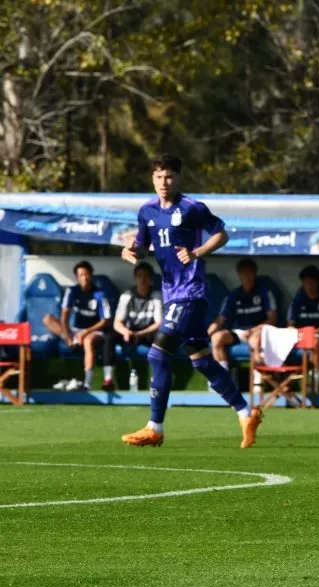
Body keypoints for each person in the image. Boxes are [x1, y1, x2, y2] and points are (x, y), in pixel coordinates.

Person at [120, 153, 261, 448]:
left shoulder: (192, 208)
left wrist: (197, 252)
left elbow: (221, 235)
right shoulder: (146, 211)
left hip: (191, 292)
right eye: (158, 176)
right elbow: (143, 247)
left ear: (178, 178)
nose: (163, 182)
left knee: (158, 355)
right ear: (152, 178)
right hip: (172, 293)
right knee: (202, 361)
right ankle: (247, 413)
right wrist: (131, 252)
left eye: (169, 176)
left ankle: (155, 427)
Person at [44, 260, 112, 391]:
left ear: (91, 275)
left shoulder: (100, 294)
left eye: (86, 275)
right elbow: (64, 315)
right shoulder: (72, 291)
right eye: (81, 275)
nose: (84, 278)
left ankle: (87, 383)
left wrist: (85, 332)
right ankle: (73, 342)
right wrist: (68, 336)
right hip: (75, 330)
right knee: (48, 319)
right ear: (77, 277)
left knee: (87, 341)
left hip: (94, 331)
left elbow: (105, 321)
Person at [209, 258, 278, 369]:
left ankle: (258, 382)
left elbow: (272, 320)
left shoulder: (265, 293)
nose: (246, 276)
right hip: (239, 333)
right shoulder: (233, 296)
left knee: (255, 341)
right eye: (243, 273)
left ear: (255, 273)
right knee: (217, 338)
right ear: (239, 275)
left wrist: (253, 330)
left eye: (249, 272)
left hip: (259, 332)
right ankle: (222, 381)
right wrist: (208, 333)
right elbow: (220, 320)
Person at [104, 262, 163, 389]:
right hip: (129, 331)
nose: (143, 280)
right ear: (135, 278)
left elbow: (159, 323)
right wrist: (126, 332)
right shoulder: (127, 295)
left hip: (148, 332)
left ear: (151, 279)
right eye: (140, 276)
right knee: (109, 337)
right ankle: (108, 379)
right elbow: (117, 323)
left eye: (146, 276)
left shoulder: (156, 296)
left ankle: (157, 379)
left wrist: (140, 334)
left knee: (163, 337)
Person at [287, 265, 319, 385]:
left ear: (318, 282)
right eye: (306, 283)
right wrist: (299, 333)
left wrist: (313, 333)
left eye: (312, 282)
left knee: (315, 342)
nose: (309, 286)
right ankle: (283, 382)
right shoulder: (297, 301)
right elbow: (290, 325)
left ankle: (315, 380)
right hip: (300, 336)